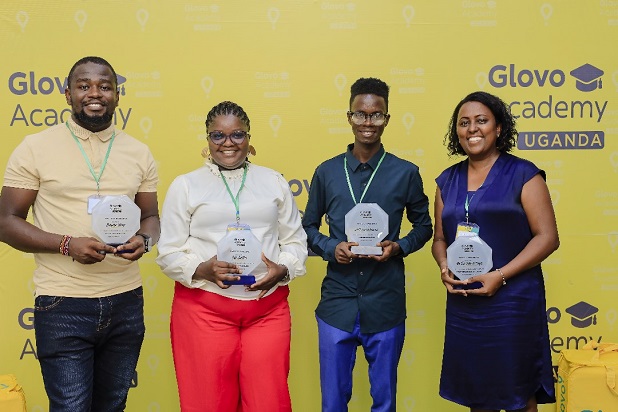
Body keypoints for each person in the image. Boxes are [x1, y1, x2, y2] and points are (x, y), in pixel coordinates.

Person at [0, 56, 160, 411]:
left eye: (105, 86)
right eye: (84, 86)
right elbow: (6, 221)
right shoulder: (35, 148)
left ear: (117, 95)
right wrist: (66, 244)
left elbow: (150, 217)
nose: (95, 94)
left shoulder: (139, 152)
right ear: (68, 94)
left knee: (112, 406)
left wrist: (144, 241)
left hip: (126, 301)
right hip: (63, 302)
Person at [156, 101, 307, 412]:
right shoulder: (186, 185)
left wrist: (284, 269)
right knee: (207, 404)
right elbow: (168, 251)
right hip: (203, 312)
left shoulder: (274, 181)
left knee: (269, 403)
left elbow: (295, 241)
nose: (228, 143)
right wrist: (202, 269)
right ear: (208, 139)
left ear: (248, 137)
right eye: (218, 135)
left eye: (237, 134)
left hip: (267, 310)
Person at [303, 77, 433, 412]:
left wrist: (399, 247)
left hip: (385, 302)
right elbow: (307, 227)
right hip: (337, 304)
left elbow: (424, 226)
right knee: (333, 403)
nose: (368, 122)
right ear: (349, 117)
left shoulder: (405, 172)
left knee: (385, 403)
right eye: (361, 114)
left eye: (376, 115)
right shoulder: (327, 172)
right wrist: (331, 247)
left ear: (387, 118)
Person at [432, 91, 559, 412]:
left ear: (498, 127)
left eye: (481, 121)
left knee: (519, 392)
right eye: (464, 123)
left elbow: (547, 237)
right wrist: (444, 266)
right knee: (477, 393)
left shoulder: (524, 174)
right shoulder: (447, 180)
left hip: (513, 300)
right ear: (456, 132)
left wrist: (500, 275)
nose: (472, 129)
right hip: (465, 301)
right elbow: (439, 239)